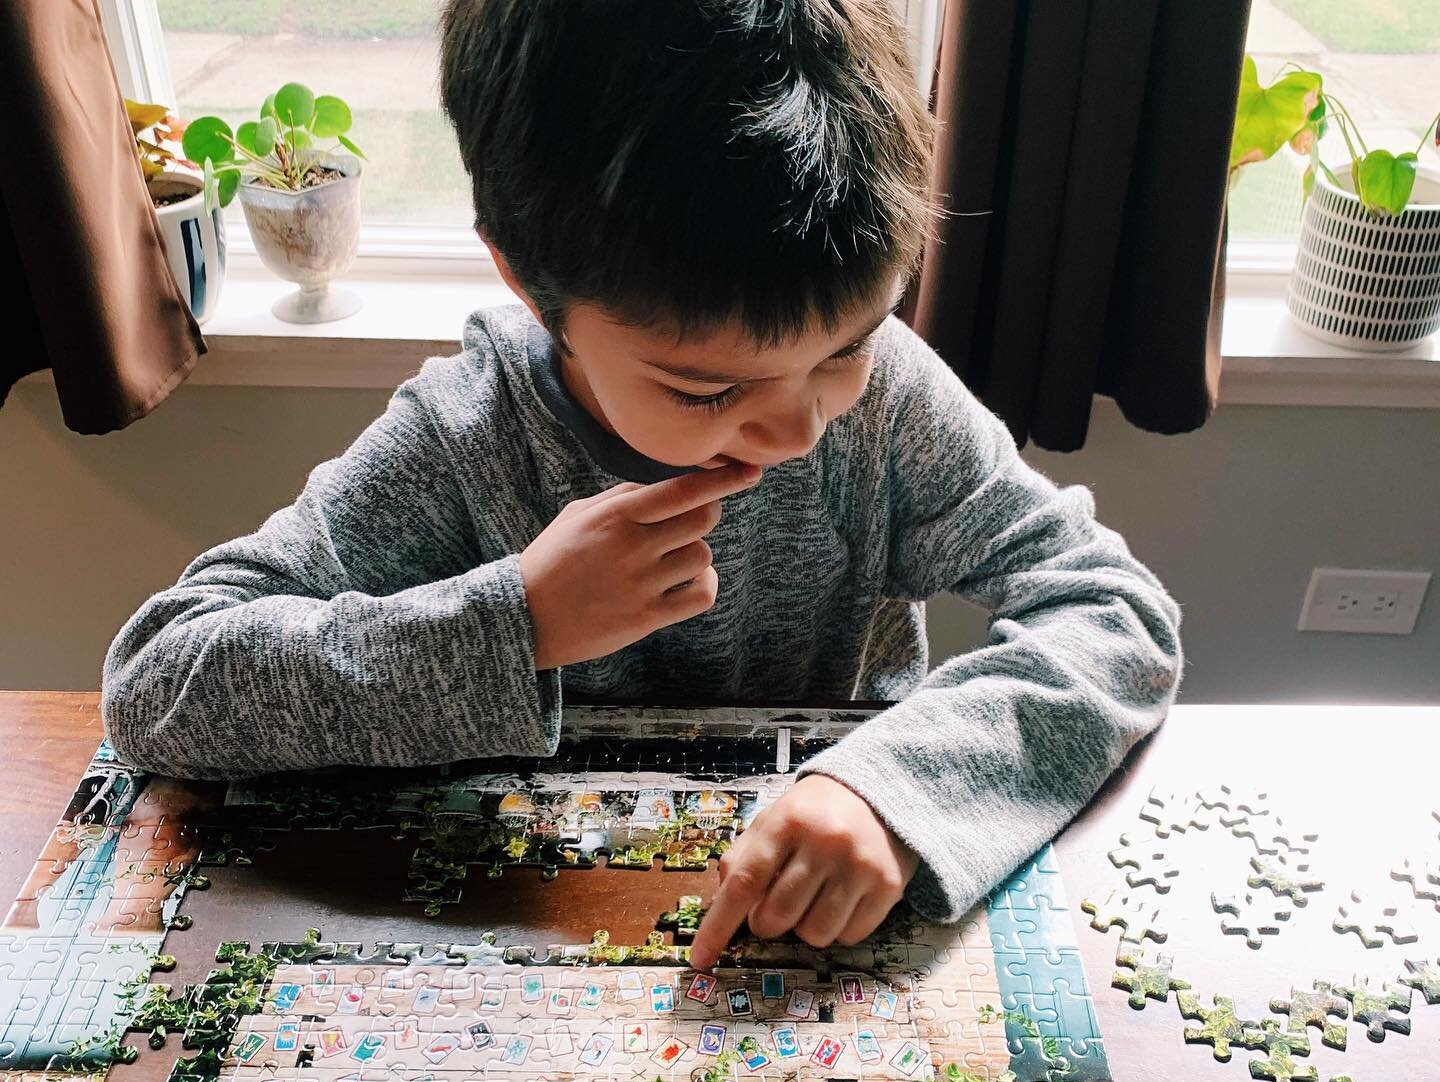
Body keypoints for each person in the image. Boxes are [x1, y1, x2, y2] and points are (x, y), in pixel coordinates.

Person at [101, 0, 1181, 972]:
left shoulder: (891, 404)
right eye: (708, 389)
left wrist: (892, 793)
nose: (799, 424)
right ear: (529, 284)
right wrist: (514, 620)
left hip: (834, 942)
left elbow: (1117, 611)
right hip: (527, 944)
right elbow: (161, 681)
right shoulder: (467, 437)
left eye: (847, 345)